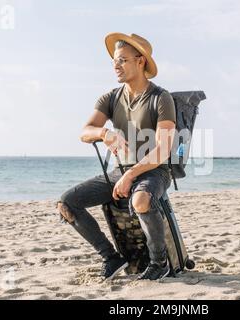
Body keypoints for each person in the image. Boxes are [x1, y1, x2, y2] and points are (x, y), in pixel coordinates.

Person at [58, 33, 176, 281]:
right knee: (67, 203)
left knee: (140, 200)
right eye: (114, 61)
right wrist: (104, 133)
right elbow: (84, 132)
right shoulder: (110, 97)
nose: (116, 66)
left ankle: (159, 263)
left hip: (154, 171)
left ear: (140, 61)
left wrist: (132, 175)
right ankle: (111, 258)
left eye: (122, 60)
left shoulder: (161, 98)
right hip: (118, 171)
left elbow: (163, 150)